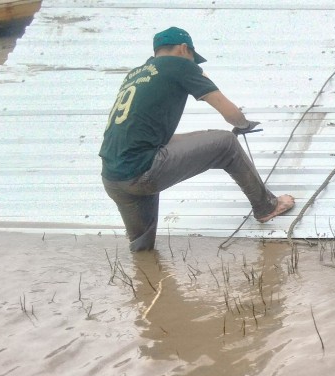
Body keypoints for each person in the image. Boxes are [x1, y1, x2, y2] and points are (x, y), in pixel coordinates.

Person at [99, 27, 295, 252]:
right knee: (226, 143)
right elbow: (229, 112)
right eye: (193, 57)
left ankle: (146, 282)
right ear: (184, 49)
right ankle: (267, 207)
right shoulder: (180, 65)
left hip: (113, 179)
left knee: (143, 251)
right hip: (144, 172)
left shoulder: (136, 73)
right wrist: (243, 125)